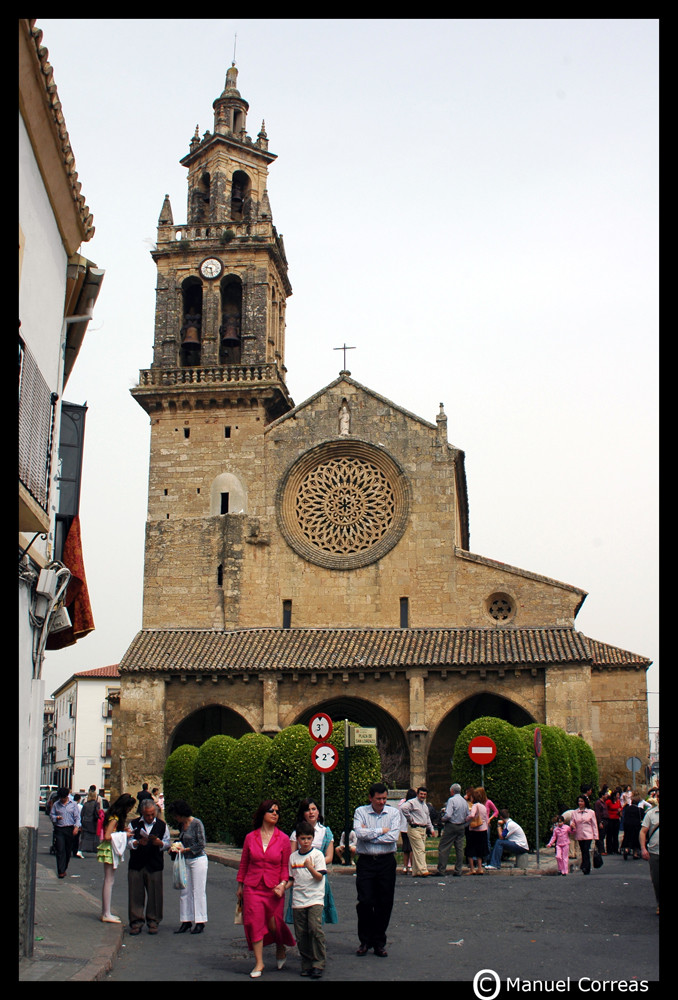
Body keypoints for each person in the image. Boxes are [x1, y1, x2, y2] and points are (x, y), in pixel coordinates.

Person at [236, 799, 296, 978]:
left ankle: (280, 945)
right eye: (271, 810)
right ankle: (259, 962)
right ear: (263, 813)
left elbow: (286, 867)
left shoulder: (283, 839)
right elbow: (244, 863)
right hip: (252, 886)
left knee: (274, 924)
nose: (275, 814)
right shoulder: (250, 837)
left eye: (277, 811)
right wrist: (240, 885)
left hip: (273, 888)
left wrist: (283, 884)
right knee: (254, 923)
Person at [354, 782, 401, 957]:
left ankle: (379, 942)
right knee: (365, 901)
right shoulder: (361, 812)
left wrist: (370, 834)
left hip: (386, 862)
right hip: (366, 862)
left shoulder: (394, 813)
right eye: (378, 799)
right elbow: (359, 834)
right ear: (370, 798)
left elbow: (393, 837)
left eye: (384, 798)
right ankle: (365, 940)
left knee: (384, 902)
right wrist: (381, 830)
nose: (382, 802)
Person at [284, 820, 327, 978]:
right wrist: (282, 887)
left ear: (313, 838)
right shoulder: (293, 857)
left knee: (315, 929)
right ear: (298, 839)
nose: (306, 842)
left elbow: (319, 877)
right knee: (301, 934)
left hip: (315, 898)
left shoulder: (317, 855)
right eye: (302, 838)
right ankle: (307, 963)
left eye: (309, 838)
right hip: (298, 900)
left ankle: (318, 963)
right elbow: (291, 879)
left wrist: (310, 867)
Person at [288, 798, 337, 925]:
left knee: (316, 917)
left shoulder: (325, 832)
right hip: (300, 876)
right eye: (307, 810)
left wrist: (314, 865)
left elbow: (329, 857)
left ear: (318, 812)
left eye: (313, 809)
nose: (311, 813)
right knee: (301, 917)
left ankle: (317, 941)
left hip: (317, 875)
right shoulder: (296, 833)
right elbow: (292, 855)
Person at [127, 799, 170, 935]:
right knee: (135, 894)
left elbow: (167, 843)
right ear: (142, 813)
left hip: (154, 864)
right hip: (137, 864)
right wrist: (137, 843)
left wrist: (160, 844)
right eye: (147, 815)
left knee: (155, 894)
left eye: (152, 814)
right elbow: (128, 841)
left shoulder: (162, 825)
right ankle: (136, 921)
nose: (150, 817)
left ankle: (153, 921)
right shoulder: (133, 824)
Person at [168, 799, 208, 935]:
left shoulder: (196, 823)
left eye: (176, 815)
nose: (176, 818)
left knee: (198, 890)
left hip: (198, 859)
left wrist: (186, 850)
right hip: (186, 860)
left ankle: (200, 920)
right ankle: (186, 919)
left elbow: (201, 844)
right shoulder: (182, 826)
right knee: (185, 890)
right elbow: (181, 840)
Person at [97, 793, 136, 923]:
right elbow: (108, 836)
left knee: (109, 880)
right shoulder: (115, 818)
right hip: (109, 849)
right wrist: (123, 834)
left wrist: (122, 831)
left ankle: (106, 912)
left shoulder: (113, 816)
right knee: (109, 880)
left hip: (108, 849)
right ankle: (106, 913)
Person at [400, 785, 435, 876]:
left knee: (416, 851)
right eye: (421, 794)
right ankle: (423, 870)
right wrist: (410, 819)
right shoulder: (412, 802)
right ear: (417, 794)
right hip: (414, 828)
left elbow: (427, 818)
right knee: (420, 849)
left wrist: (431, 829)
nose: (422, 796)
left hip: (423, 829)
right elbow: (403, 808)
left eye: (424, 794)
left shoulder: (425, 806)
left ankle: (416, 871)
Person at [436, 782, 469, 877]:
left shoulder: (452, 800)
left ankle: (441, 869)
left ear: (452, 791)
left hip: (451, 825)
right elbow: (468, 815)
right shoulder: (464, 801)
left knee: (444, 847)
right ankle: (458, 870)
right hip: (461, 826)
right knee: (459, 848)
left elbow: (448, 814)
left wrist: (443, 818)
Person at [50, 787, 81, 878]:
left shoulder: (73, 804)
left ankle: (64, 867)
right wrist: (56, 818)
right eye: (61, 798)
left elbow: (77, 817)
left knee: (67, 850)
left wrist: (76, 827)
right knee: (60, 849)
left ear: (67, 796)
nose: (62, 799)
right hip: (59, 829)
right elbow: (52, 815)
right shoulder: (56, 805)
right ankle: (61, 871)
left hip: (69, 829)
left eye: (64, 797)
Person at [639, 789, 659, 915]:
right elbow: (643, 832)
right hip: (655, 852)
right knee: (657, 880)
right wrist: (643, 848)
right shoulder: (651, 814)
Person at [569, 795, 599, 875]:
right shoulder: (575, 813)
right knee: (583, 850)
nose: (580, 803)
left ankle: (585, 866)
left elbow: (594, 825)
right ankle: (586, 865)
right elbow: (572, 822)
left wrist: (596, 836)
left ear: (585, 802)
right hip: (579, 835)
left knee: (586, 849)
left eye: (582, 801)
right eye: (579, 801)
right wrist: (572, 825)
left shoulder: (591, 812)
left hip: (588, 834)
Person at [465, 788, 488, 875]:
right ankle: (480, 868)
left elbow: (472, 815)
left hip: (474, 830)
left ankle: (472, 869)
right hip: (483, 829)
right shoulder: (483, 806)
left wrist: (466, 819)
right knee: (480, 850)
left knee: (470, 849)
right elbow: (485, 818)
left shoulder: (475, 806)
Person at [397, 789, 416, 873]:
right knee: (411, 848)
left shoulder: (402, 805)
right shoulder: (413, 805)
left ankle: (405, 866)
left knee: (405, 848)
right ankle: (411, 866)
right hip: (411, 828)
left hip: (403, 829)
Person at [80, 788, 103, 853]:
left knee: (85, 837)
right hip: (93, 822)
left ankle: (83, 848)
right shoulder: (96, 804)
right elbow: (97, 813)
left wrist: (81, 822)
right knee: (95, 836)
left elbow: (82, 814)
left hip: (85, 821)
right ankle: (94, 848)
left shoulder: (85, 804)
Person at [605, 789, 622, 854]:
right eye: (617, 795)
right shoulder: (609, 801)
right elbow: (606, 808)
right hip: (610, 819)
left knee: (615, 835)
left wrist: (620, 810)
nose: (618, 796)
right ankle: (609, 849)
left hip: (616, 819)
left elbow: (621, 807)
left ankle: (615, 848)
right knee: (609, 835)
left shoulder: (618, 801)